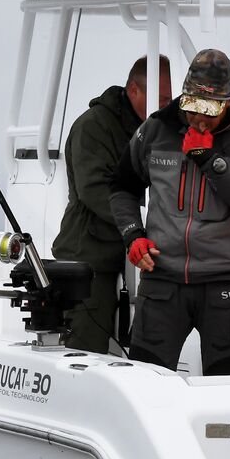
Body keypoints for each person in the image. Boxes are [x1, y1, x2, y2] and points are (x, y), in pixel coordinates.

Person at [108, 49, 230, 375]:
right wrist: (133, 236)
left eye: (209, 109)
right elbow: (122, 187)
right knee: (146, 381)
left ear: (228, 103)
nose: (199, 117)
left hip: (228, 281)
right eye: (191, 105)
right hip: (162, 279)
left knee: (223, 386)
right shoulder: (155, 130)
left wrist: (209, 160)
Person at [52, 56, 171, 353]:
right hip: (87, 259)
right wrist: (140, 230)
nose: (166, 107)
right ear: (134, 90)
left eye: (170, 100)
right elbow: (94, 190)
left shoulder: (151, 128)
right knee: (84, 352)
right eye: (162, 98)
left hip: (122, 258)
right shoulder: (92, 126)